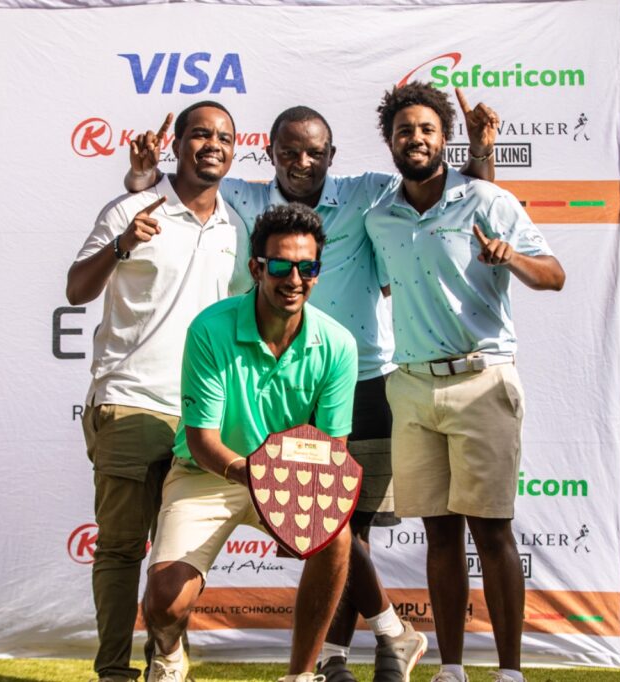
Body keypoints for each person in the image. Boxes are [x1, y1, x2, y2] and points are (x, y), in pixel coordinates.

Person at [125, 90, 500, 682]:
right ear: (269, 152)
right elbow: (181, 193)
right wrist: (142, 176)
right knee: (328, 534)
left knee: (345, 530)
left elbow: (447, 196)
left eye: (315, 152)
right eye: (289, 152)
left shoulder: (366, 193)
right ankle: (373, 641)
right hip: (239, 431)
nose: (302, 162)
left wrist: (482, 155)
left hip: (364, 377)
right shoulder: (242, 200)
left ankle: (325, 662)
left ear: (333, 154)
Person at [364, 82, 566, 682]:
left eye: (426, 129)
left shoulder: (486, 200)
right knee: (439, 534)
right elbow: (375, 284)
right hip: (412, 387)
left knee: (494, 531)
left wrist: (512, 259)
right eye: (405, 131)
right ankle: (451, 669)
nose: (416, 139)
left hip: (481, 380)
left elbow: (553, 276)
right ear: (390, 142)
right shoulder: (379, 218)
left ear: (443, 137)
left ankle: (509, 673)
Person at [66, 100, 250, 682]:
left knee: (177, 557)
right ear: (177, 143)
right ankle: (114, 671)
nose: (212, 145)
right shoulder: (132, 206)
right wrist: (121, 244)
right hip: (129, 403)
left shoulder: (236, 226)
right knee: (122, 550)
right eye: (200, 134)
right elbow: (75, 289)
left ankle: (164, 665)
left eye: (223, 136)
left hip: (200, 420)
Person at [141, 204, 356, 682]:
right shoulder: (211, 328)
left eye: (308, 267)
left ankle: (300, 675)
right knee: (164, 601)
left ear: (319, 272)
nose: (294, 278)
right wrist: (259, 475)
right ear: (256, 268)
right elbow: (202, 442)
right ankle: (170, 652)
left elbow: (331, 449)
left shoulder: (338, 344)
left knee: (337, 539)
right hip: (209, 475)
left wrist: (293, 496)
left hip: (286, 476)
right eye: (280, 265)